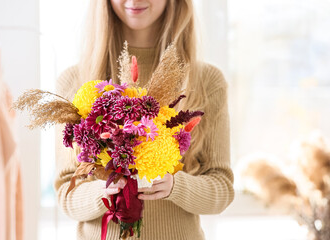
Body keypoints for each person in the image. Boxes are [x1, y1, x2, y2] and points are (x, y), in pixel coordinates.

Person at [54, 0, 234, 239]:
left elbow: (222, 189)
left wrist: (175, 187)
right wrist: (103, 192)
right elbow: (66, 193)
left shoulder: (206, 81)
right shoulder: (74, 81)